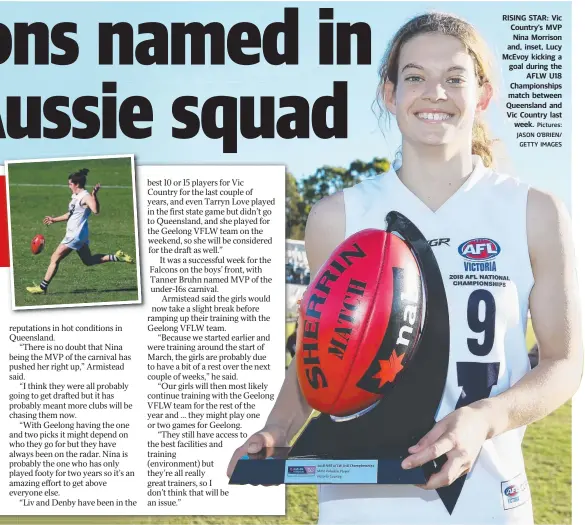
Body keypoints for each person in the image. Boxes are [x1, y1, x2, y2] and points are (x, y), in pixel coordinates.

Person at [227, 12, 582, 524]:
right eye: (415, 76)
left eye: (454, 78)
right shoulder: (338, 216)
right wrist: (277, 429)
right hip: (358, 506)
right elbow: (321, 355)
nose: (434, 92)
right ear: (389, 94)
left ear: (481, 96)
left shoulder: (534, 211)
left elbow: (564, 362)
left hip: (486, 505)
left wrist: (485, 418)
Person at [26, 168, 134, 294]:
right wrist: (54, 219)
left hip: (74, 235)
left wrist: (94, 196)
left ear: (76, 184)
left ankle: (42, 288)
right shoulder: (76, 196)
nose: (69, 186)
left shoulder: (86, 197)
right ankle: (116, 257)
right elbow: (71, 214)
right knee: (88, 261)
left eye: (70, 184)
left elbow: (96, 211)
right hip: (79, 235)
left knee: (55, 258)